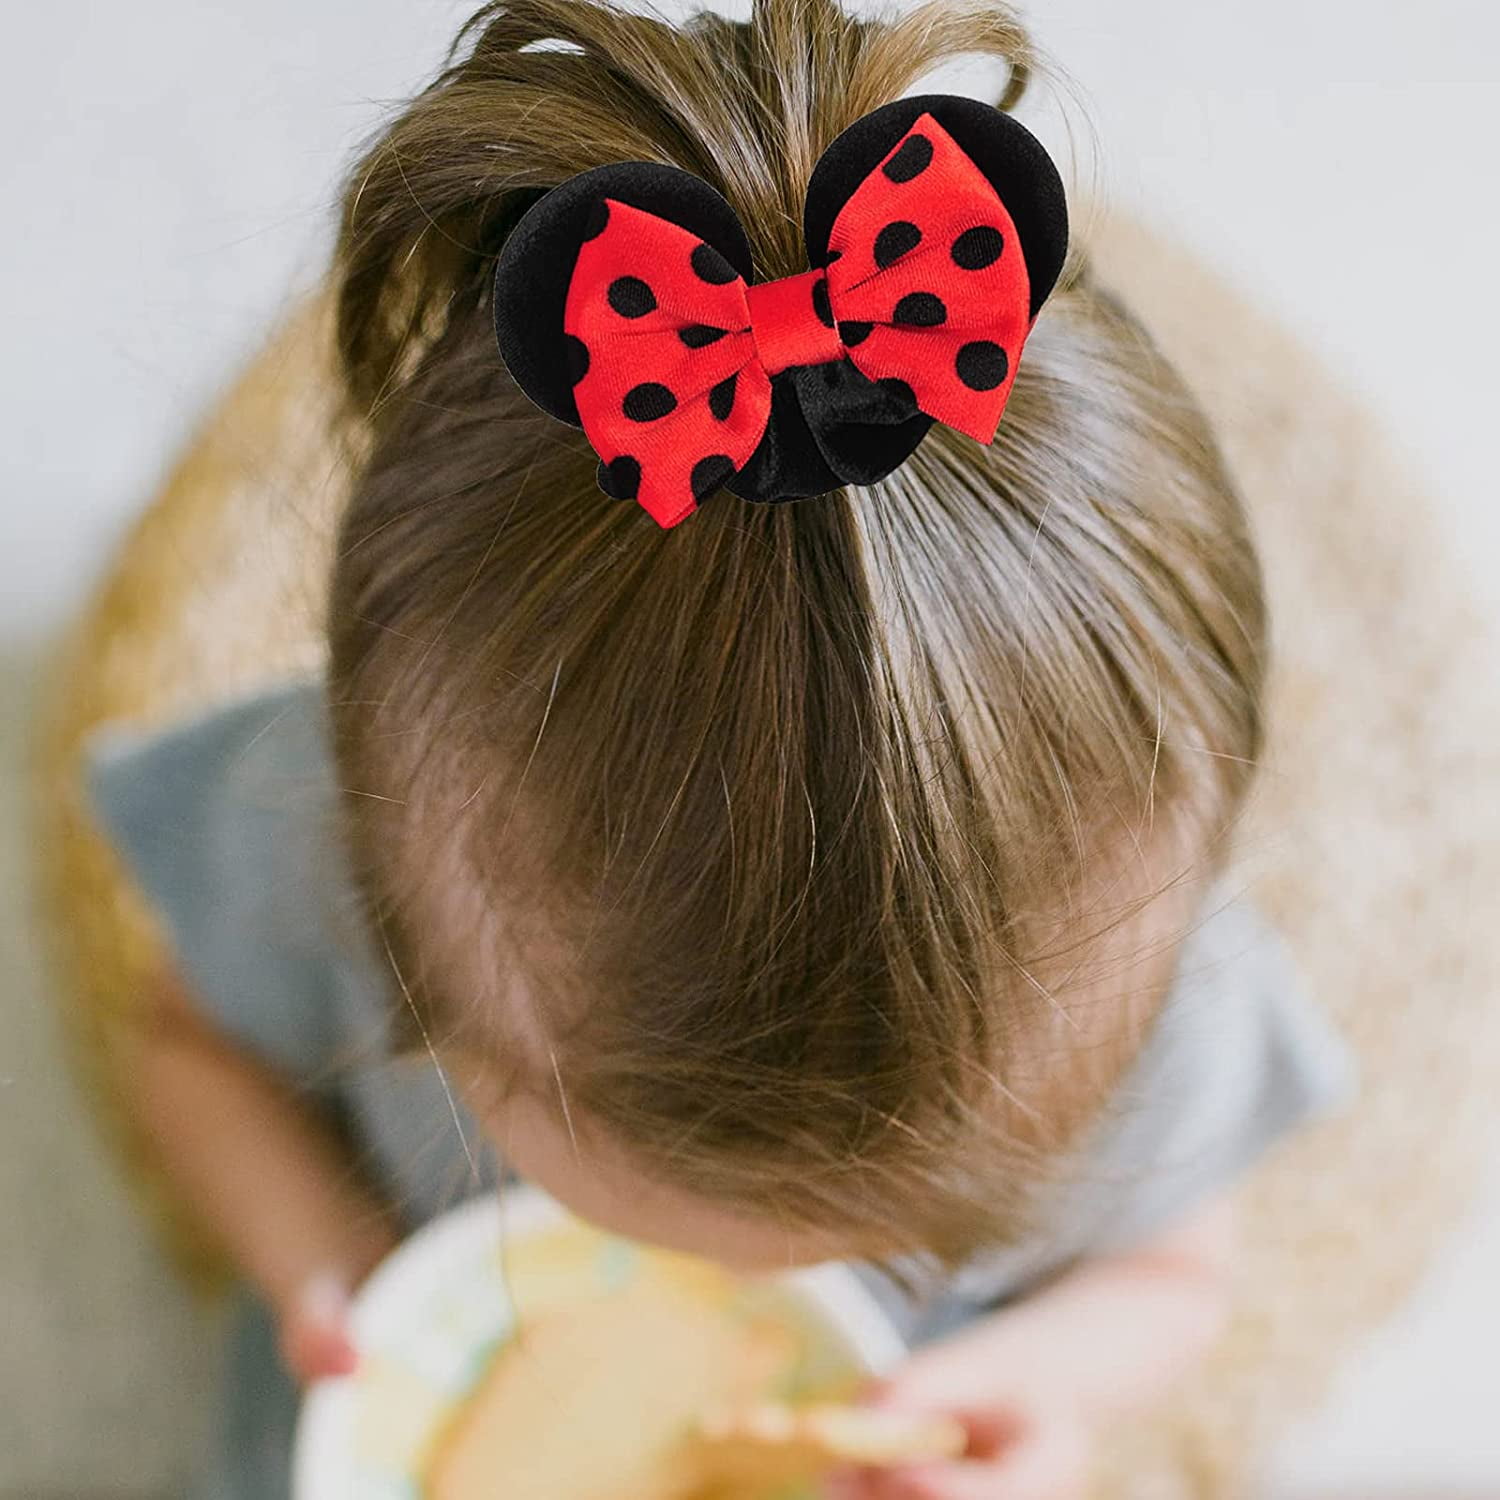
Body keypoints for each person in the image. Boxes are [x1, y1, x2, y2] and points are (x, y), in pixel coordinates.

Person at [83, 1, 1355, 1496]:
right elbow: (187, 1049)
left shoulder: (1134, 983)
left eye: (883, 1244)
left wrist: (1030, 1396)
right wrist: (332, 1270)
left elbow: (1174, 1278)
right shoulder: (329, 831)